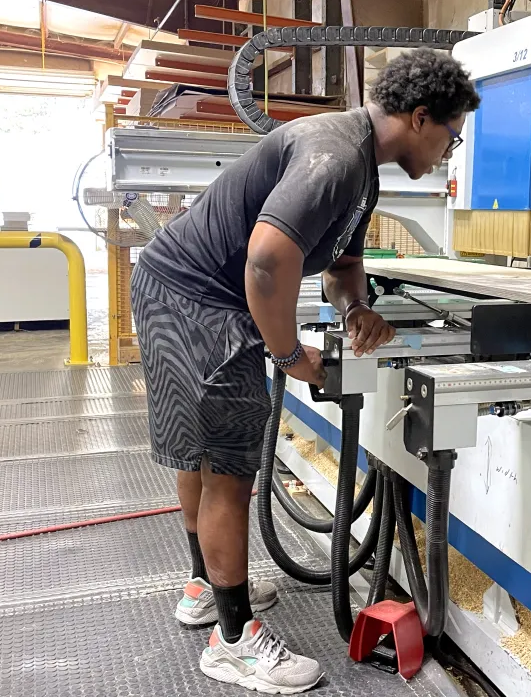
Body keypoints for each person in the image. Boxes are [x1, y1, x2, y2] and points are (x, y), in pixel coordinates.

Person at [131, 47, 480, 694]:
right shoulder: (336, 155)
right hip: (199, 301)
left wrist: (357, 311)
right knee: (229, 470)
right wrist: (290, 355)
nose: (447, 154)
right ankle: (233, 642)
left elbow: (342, 264)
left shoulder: (360, 167)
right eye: (451, 138)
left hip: (179, 291)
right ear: (422, 116)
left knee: (206, 455)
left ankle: (206, 590)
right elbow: (266, 261)